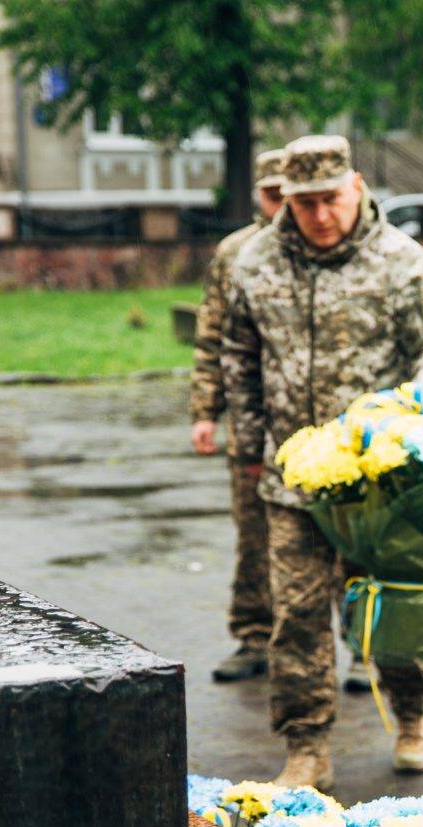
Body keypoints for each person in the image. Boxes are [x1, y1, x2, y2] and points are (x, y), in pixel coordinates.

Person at [220, 135, 423, 789]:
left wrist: (416, 410)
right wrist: (249, 446)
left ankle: (412, 714)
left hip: (378, 482)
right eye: (305, 204)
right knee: (295, 615)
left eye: (331, 199)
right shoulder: (256, 262)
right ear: (285, 200)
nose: (321, 215)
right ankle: (306, 747)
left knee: (387, 606)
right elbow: (238, 357)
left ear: (356, 186)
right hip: (292, 479)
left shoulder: (401, 260)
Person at [191, 148, 287, 684]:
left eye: (287, 194)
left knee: (349, 537)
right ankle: (254, 636)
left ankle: (361, 643)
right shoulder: (237, 252)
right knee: (254, 534)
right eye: (271, 195)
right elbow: (212, 337)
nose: (281, 206)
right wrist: (206, 411)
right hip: (254, 417)